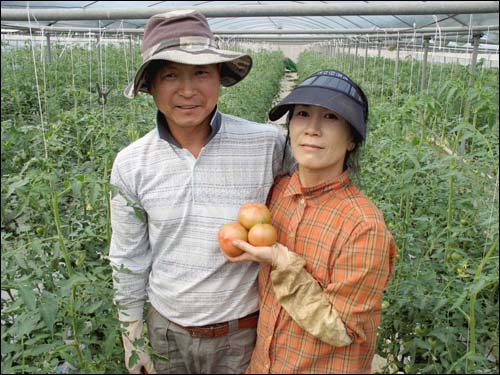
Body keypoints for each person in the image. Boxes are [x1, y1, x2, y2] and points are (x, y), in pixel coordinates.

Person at [108, 10, 291, 374]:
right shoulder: (131, 163)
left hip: (245, 335)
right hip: (165, 336)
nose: (188, 91)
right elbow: (128, 258)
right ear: (151, 86)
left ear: (220, 79)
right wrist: (133, 339)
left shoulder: (267, 144)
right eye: (171, 74)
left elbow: (310, 208)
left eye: (201, 73)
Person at [225, 69, 398, 374]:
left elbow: (342, 329)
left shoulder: (363, 226)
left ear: (352, 141)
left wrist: (282, 261)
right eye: (303, 114)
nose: (312, 129)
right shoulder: (277, 194)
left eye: (331, 117)